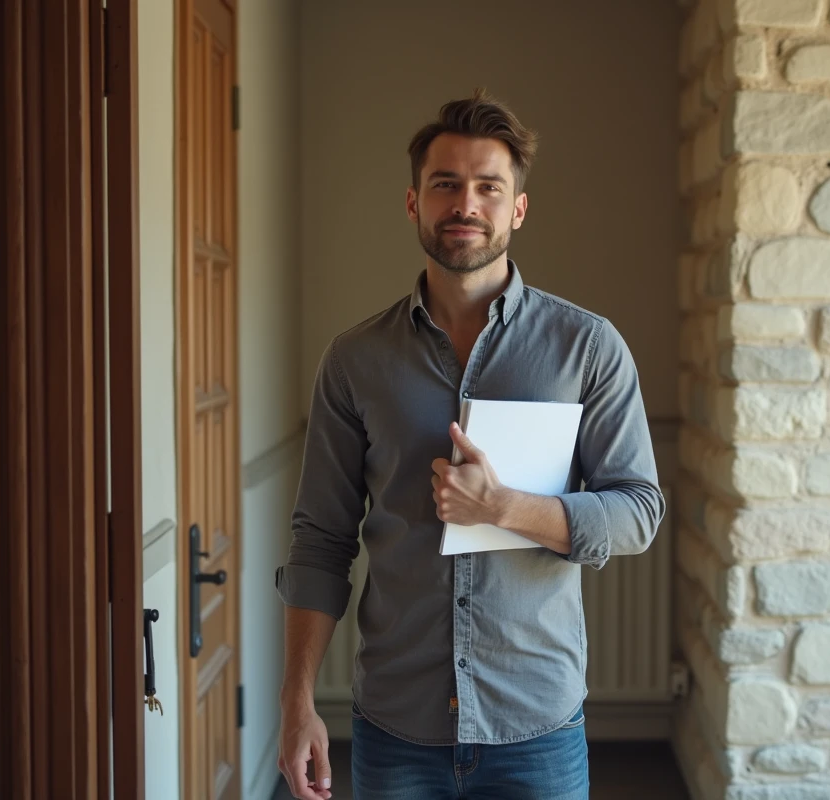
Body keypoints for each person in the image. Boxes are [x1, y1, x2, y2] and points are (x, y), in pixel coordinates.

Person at [275, 89, 665, 800]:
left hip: (536, 731)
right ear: (413, 203)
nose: (466, 204)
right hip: (396, 730)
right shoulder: (355, 359)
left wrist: (505, 507)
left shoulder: (587, 348)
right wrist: (296, 701)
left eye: (488, 187)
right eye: (445, 185)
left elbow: (638, 511)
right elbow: (320, 541)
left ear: (517, 208)